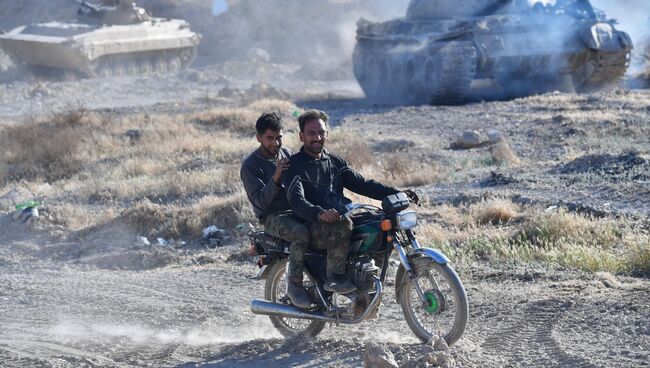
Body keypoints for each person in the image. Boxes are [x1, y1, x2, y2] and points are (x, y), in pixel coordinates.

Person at [283, 110, 418, 293]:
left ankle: (367, 280)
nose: (317, 137)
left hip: (340, 216)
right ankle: (335, 278)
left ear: (327, 134)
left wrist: (397, 193)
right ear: (302, 136)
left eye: (321, 132)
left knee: (377, 222)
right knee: (343, 225)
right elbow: (297, 201)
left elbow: (363, 184)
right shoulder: (294, 166)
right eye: (312, 133)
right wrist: (319, 213)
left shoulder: (335, 162)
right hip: (313, 224)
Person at [240, 112, 312, 309]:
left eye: (279, 137)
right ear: (259, 138)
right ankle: (295, 287)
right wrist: (277, 176)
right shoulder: (250, 166)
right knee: (301, 234)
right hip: (272, 217)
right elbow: (261, 202)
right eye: (270, 138)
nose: (275, 143)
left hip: (296, 210)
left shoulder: (286, 154)